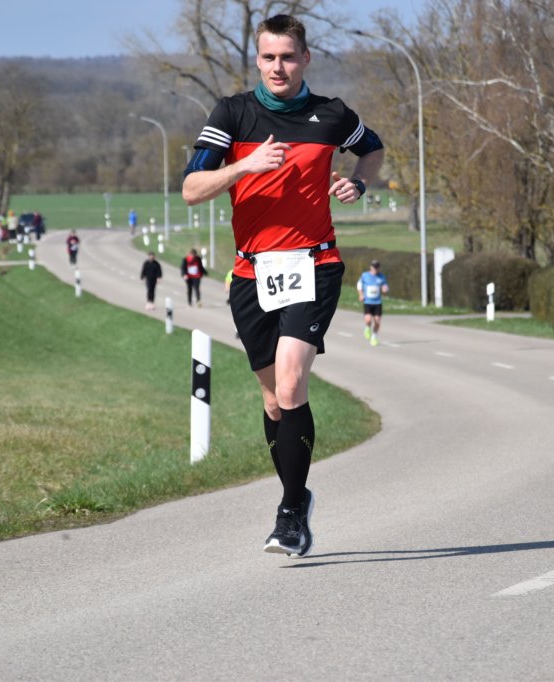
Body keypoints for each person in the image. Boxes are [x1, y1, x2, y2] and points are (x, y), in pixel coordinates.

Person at [181, 14, 385, 558]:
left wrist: (359, 181)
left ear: (305, 59)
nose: (278, 67)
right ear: (257, 59)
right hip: (251, 274)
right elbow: (192, 189)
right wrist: (243, 166)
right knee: (274, 402)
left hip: (314, 265)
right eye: (269, 57)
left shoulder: (332, 114)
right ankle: (298, 497)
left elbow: (373, 148)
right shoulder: (232, 113)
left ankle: (291, 513)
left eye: (288, 57)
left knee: (292, 384)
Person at [357, 259, 389, 346]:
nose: (375, 269)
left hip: (377, 302)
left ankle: (374, 337)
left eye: (377, 267)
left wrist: (385, 289)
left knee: (377, 321)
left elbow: (385, 286)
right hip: (367, 301)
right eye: (374, 267)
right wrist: (361, 294)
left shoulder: (381, 276)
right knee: (368, 320)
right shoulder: (365, 275)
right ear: (370, 267)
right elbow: (359, 285)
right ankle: (367, 328)